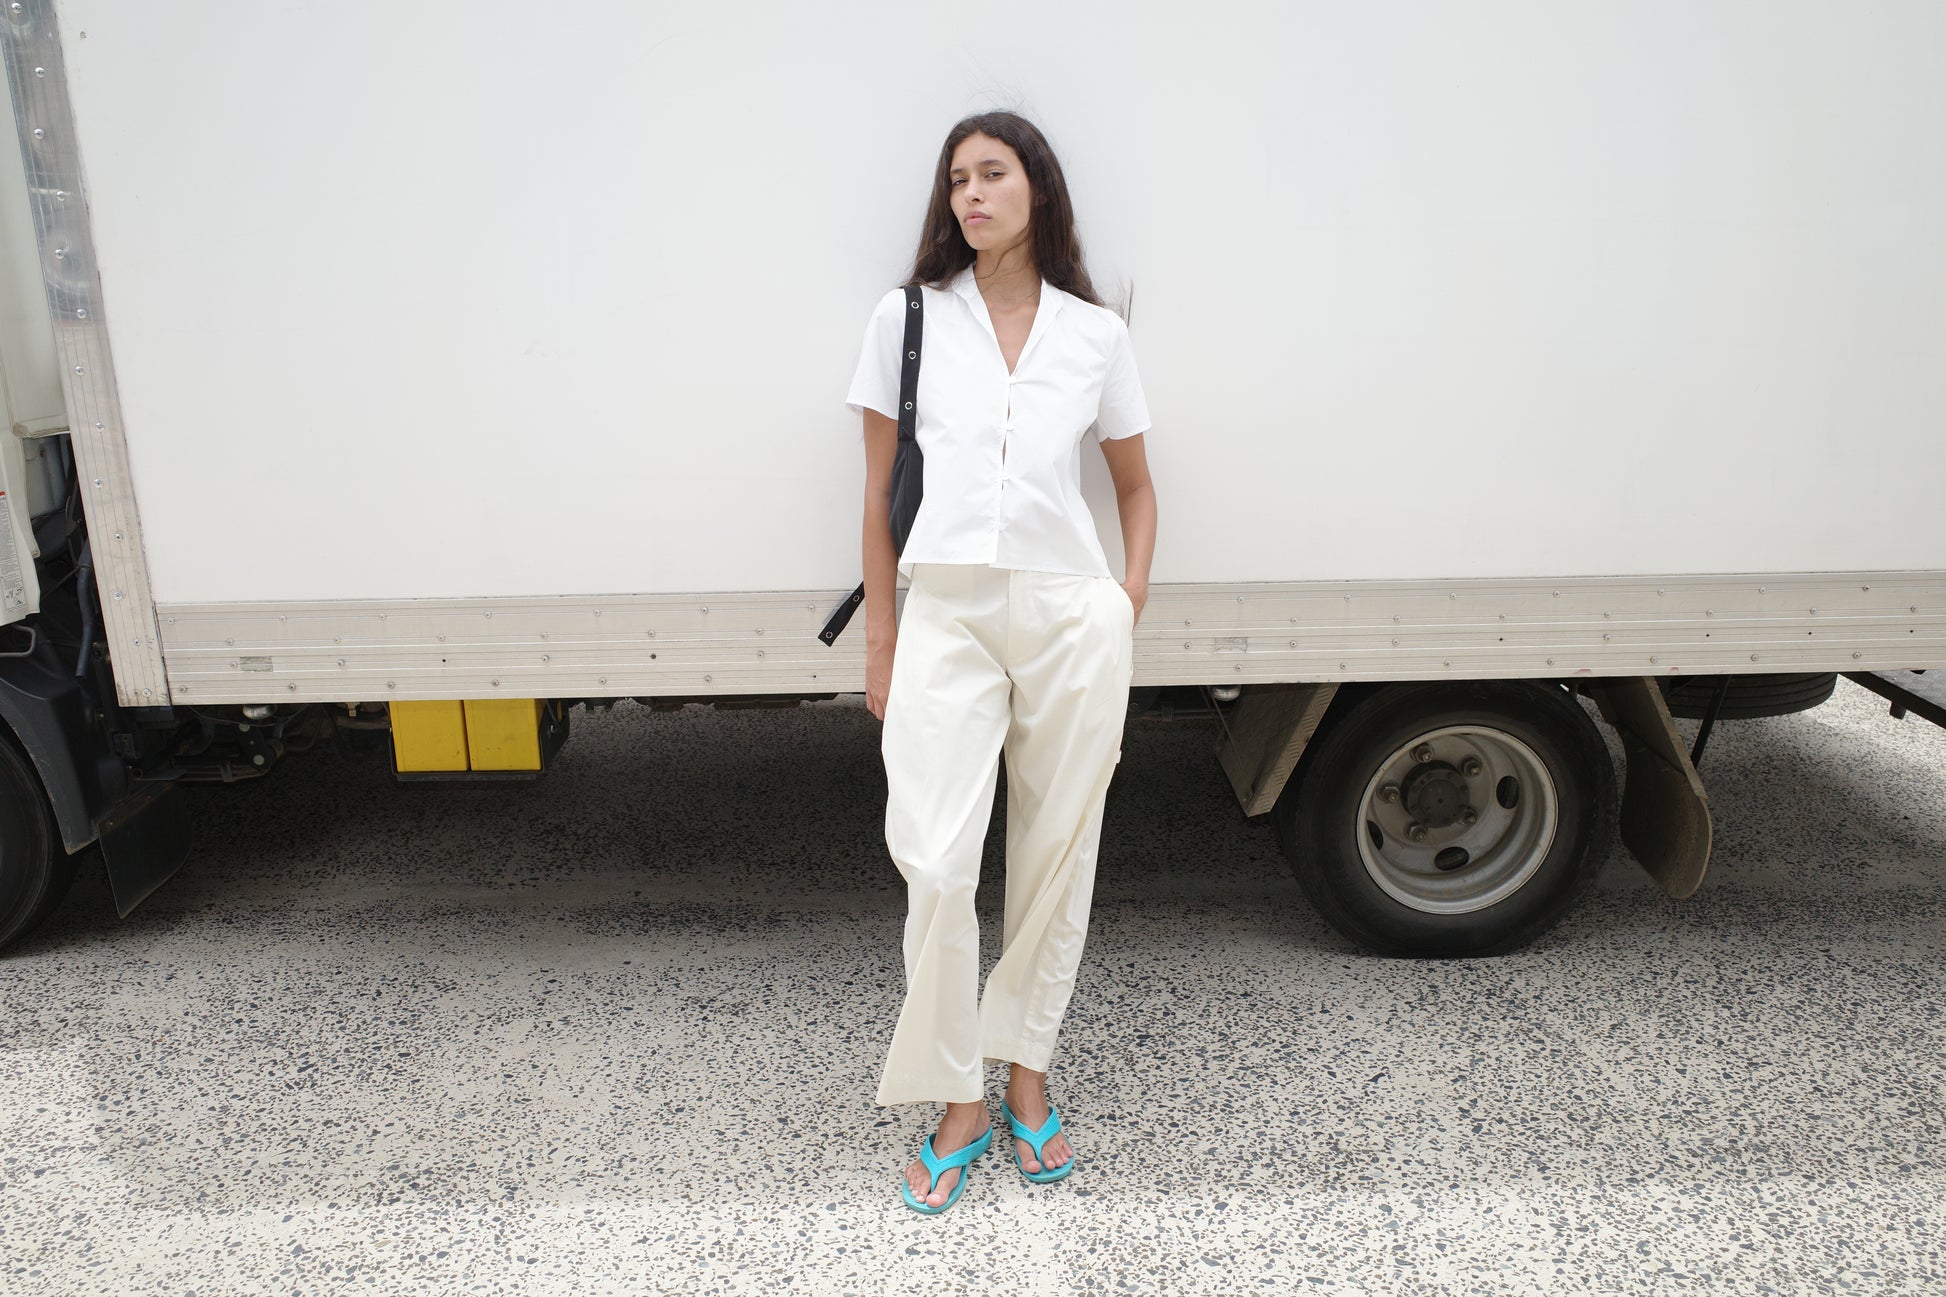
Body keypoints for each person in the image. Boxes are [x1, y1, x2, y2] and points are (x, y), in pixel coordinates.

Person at [844, 111, 1158, 1214]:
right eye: (956, 181)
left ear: (1037, 189)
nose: (971, 195)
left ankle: (1023, 1080)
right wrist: (882, 640)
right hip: (950, 610)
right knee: (935, 857)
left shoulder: (1092, 332)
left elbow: (1132, 485)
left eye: (992, 174)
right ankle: (955, 1096)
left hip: (1071, 614)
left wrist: (1121, 602)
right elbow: (882, 500)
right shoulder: (909, 319)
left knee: (1055, 851)